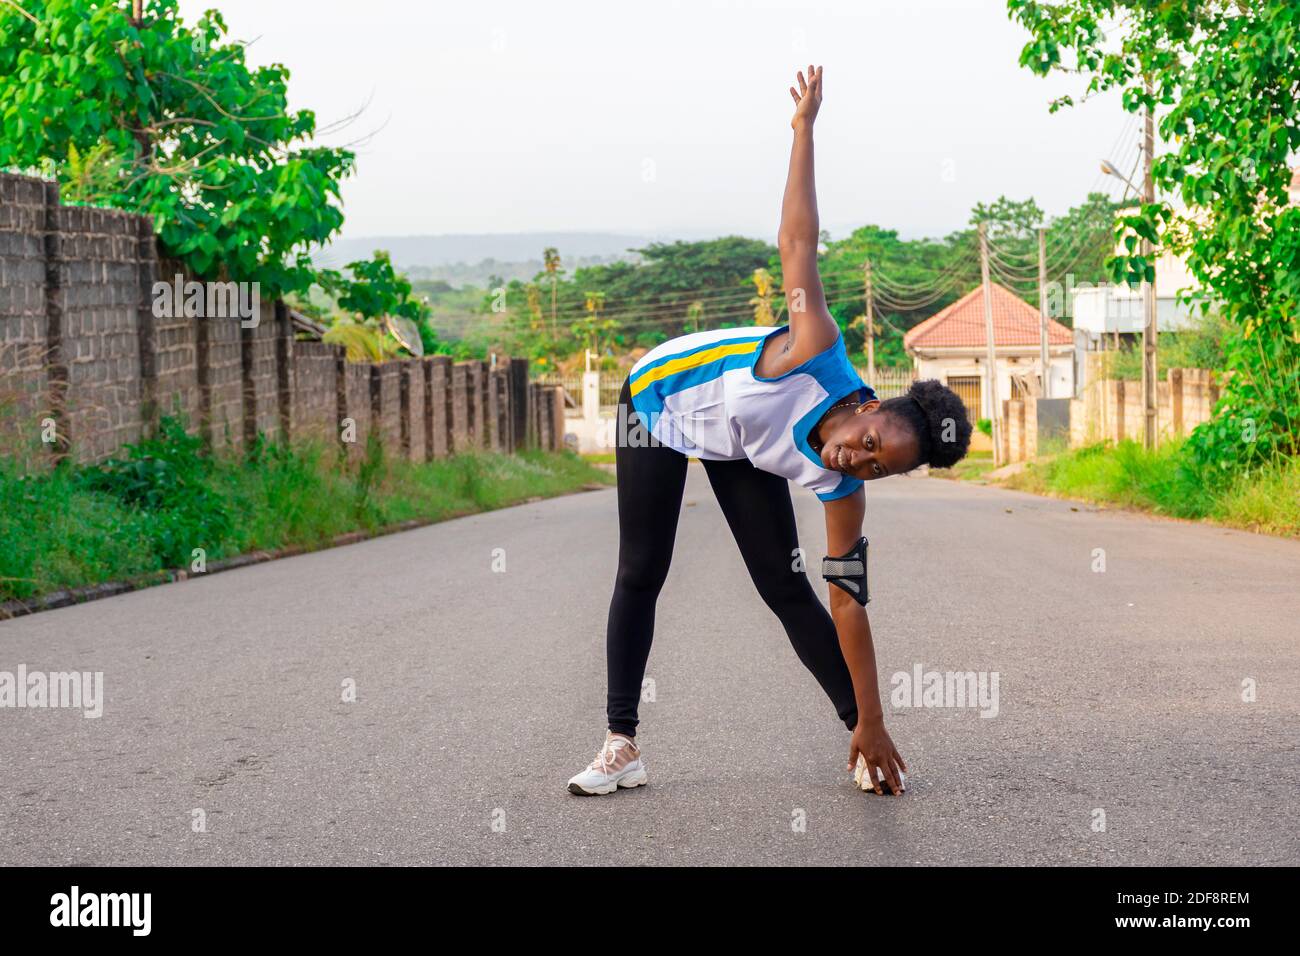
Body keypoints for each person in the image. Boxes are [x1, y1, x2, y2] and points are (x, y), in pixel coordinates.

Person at [567, 66, 972, 797]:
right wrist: (805, 130)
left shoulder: (844, 489)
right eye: (871, 442)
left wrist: (875, 718)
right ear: (871, 405)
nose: (857, 459)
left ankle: (857, 738)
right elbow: (796, 242)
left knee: (785, 586)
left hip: (737, 440)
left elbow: (849, 601)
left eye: (876, 469)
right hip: (658, 403)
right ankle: (621, 744)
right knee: (641, 569)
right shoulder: (813, 346)